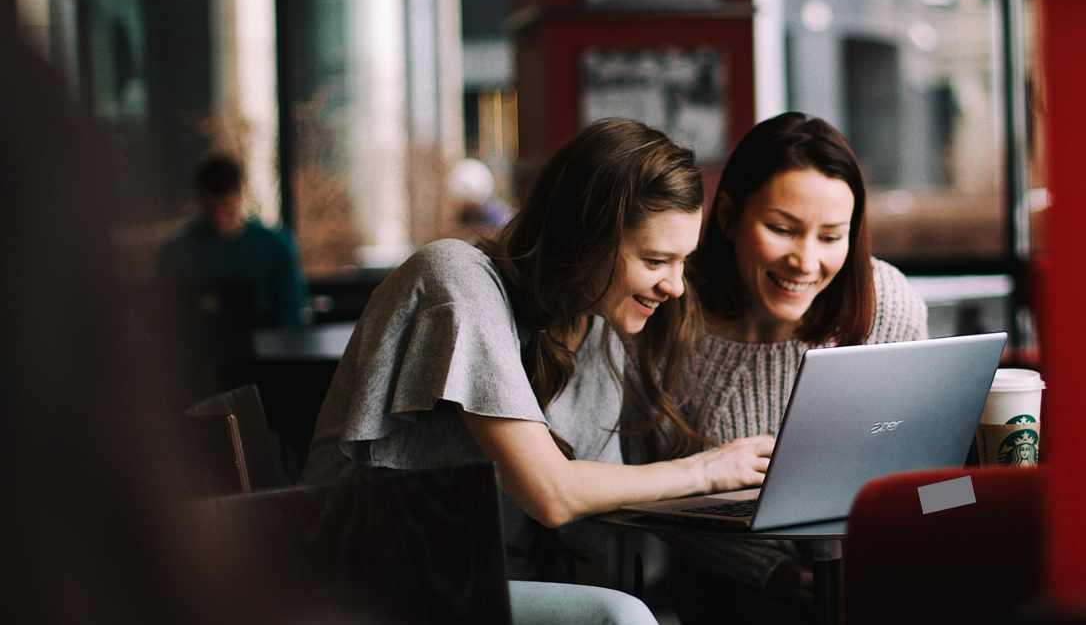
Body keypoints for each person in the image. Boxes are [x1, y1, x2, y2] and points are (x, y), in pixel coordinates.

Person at [303, 118, 775, 623]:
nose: (676, 287)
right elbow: (553, 495)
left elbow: (602, 495)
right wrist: (704, 470)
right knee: (620, 618)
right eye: (657, 260)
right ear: (585, 240)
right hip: (370, 586)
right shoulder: (455, 280)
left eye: (683, 263)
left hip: (475, 581)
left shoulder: (594, 327)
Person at [656, 112, 929, 624]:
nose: (806, 261)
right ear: (729, 216)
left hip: (873, 566)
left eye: (830, 237)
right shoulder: (668, 313)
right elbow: (646, 495)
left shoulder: (886, 301)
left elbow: (929, 477)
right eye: (782, 229)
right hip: (733, 585)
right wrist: (775, 573)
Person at [155, 154, 310, 328]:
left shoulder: (276, 246)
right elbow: (163, 319)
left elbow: (291, 317)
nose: (219, 217)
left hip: (265, 351)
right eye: (211, 209)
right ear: (199, 202)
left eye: (227, 207)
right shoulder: (175, 253)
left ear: (240, 197)